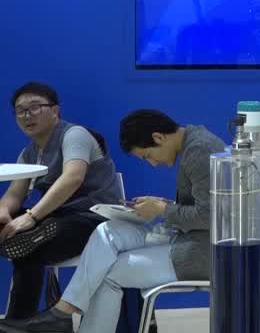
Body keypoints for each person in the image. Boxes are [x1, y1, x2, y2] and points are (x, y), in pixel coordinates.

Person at [0, 110, 226, 333]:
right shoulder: (193, 143)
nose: (153, 163)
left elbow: (210, 216)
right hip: (186, 235)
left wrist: (162, 209)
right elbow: (208, 207)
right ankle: (61, 313)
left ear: (158, 137)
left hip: (201, 252)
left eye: (147, 155)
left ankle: (62, 314)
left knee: (105, 273)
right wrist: (162, 204)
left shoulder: (199, 151)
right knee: (108, 230)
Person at [0, 83, 122, 320]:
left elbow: (72, 178)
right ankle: (19, 322)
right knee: (24, 244)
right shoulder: (29, 153)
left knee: (28, 245)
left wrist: (31, 217)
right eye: (20, 111)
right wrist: (4, 211)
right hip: (57, 219)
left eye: (34, 107)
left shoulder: (74, 135)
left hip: (94, 220)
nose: (27, 115)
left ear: (55, 111)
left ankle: (17, 320)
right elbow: (14, 194)